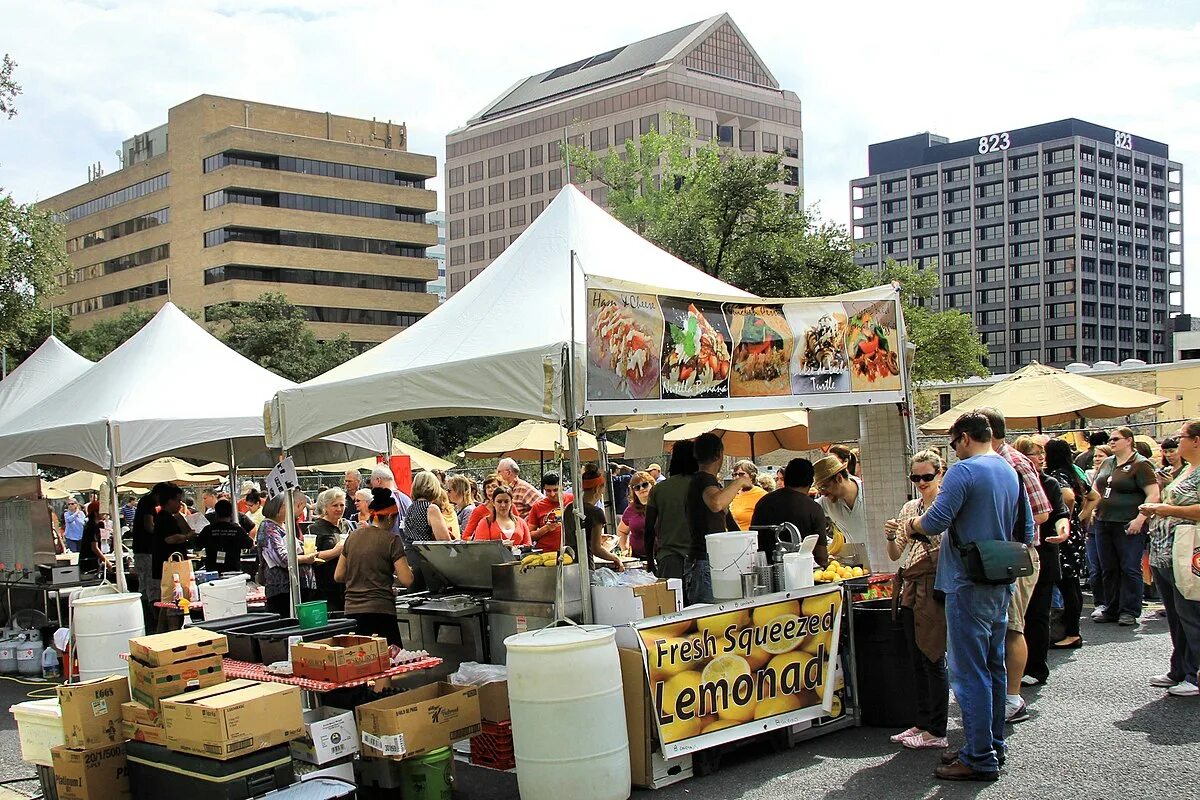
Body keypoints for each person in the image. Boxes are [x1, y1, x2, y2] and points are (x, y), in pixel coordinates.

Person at [909, 411, 1034, 782]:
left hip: (967, 579)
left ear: (964, 438)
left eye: (953, 442)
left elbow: (935, 521)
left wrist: (913, 524)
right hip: (1001, 576)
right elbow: (1025, 528)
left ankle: (979, 756)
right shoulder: (1008, 468)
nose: (954, 450)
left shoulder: (965, 471)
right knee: (993, 667)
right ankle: (990, 744)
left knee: (969, 673)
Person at [976, 407, 1051, 724]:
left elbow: (1042, 511)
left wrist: (1005, 528)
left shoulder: (1015, 463)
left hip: (1015, 556)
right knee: (1000, 626)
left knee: (1012, 626)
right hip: (999, 557)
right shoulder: (993, 463)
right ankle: (1001, 694)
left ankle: (1013, 698)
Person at [883, 450, 949, 751]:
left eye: (927, 477)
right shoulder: (910, 507)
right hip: (912, 581)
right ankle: (923, 723)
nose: (921, 482)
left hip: (935, 584)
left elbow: (946, 545)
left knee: (932, 655)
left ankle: (937, 727)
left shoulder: (946, 504)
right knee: (917, 658)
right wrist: (891, 536)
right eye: (916, 477)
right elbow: (896, 552)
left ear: (940, 473)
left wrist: (920, 532)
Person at [1140, 418, 1200, 697]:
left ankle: (1194, 674)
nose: (1178, 442)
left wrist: (1165, 508)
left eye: (1182, 437)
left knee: (1190, 614)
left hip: (1188, 552)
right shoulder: (1187, 470)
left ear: (1196, 441)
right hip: (1167, 551)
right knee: (1177, 615)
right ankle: (1180, 668)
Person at [1011, 436, 1071, 690]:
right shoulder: (1014, 481)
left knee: (1038, 613)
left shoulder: (1049, 483)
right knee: (1018, 617)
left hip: (1044, 552)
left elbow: (1060, 514)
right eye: (1035, 454)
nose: (1040, 458)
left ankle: (1037, 667)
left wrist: (1063, 530)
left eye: (1041, 453)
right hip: (1019, 554)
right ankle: (1017, 667)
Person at [1091, 425, 1160, 626]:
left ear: (1128, 441)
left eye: (1116, 439)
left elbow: (1153, 493)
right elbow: (1097, 488)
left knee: (1129, 567)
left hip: (1127, 522)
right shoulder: (1107, 463)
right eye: (1110, 439)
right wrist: (1093, 508)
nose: (1111, 442)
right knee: (1108, 567)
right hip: (1104, 521)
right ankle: (1111, 607)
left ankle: (1129, 609)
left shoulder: (1141, 464)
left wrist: (1140, 519)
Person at [335, 487, 413, 645]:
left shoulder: (352, 537)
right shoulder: (392, 540)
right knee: (389, 662)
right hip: (381, 612)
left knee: (361, 662)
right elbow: (407, 580)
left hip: (352, 612)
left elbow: (339, 576)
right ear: (390, 517)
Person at [1044, 438, 1100, 649]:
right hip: (1074, 533)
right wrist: (1079, 517)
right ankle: (1072, 631)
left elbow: (1067, 496)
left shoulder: (1057, 475)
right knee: (1072, 583)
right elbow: (1095, 497)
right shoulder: (1074, 472)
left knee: (1067, 584)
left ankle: (1071, 632)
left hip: (1063, 534)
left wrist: (1065, 517)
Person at [686, 434, 751, 603]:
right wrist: (740, 482)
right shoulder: (704, 480)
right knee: (710, 618)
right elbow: (716, 504)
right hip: (705, 561)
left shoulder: (704, 482)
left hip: (708, 561)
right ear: (719, 454)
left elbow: (725, 513)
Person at [751, 458, 829, 565]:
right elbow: (821, 556)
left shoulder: (763, 502)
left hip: (766, 572)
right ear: (810, 481)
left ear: (786, 479)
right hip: (801, 573)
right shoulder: (814, 508)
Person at [644, 443, 698, 582]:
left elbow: (649, 528)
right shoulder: (703, 486)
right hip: (700, 557)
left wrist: (650, 561)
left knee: (672, 602)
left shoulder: (659, 489)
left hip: (669, 557)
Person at [257, 493, 318, 617]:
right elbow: (282, 558)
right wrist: (307, 558)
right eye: (288, 505)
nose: (292, 509)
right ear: (278, 508)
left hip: (294, 588)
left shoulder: (282, 525)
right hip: (282, 590)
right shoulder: (268, 527)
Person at [563, 464, 624, 570]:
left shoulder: (569, 508)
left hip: (568, 563)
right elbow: (596, 549)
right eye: (603, 488)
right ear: (597, 488)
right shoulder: (596, 513)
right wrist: (615, 558)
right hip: (585, 566)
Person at [401, 472, 454, 590]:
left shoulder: (410, 508)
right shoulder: (431, 508)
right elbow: (444, 541)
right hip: (427, 560)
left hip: (410, 558)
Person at [814, 455, 866, 549]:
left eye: (824, 487)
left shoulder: (869, 494)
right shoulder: (826, 502)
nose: (822, 493)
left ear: (839, 478)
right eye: (819, 488)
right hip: (857, 560)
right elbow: (808, 510)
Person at [309, 489, 348, 612]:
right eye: (335, 505)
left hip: (346, 585)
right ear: (325, 507)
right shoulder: (315, 528)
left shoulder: (345, 525)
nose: (339, 509)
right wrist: (334, 552)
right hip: (325, 586)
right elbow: (310, 556)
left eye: (342, 505)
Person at [195, 499, 254, 574]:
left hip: (212, 571)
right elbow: (250, 544)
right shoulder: (237, 530)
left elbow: (197, 546)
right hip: (233, 571)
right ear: (231, 514)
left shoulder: (208, 530)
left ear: (216, 513)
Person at [526, 473, 572, 552]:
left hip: (570, 550)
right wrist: (546, 529)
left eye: (555, 490)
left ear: (562, 487)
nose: (552, 494)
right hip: (546, 552)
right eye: (548, 491)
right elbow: (529, 536)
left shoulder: (573, 500)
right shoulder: (537, 507)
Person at [617, 471, 654, 558]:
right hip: (637, 560)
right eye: (637, 487)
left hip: (662, 558)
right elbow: (622, 531)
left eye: (645, 485)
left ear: (652, 484)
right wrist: (624, 548)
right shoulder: (630, 510)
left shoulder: (663, 505)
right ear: (633, 491)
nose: (641, 489)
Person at [370, 464, 413, 533]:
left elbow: (377, 529)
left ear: (378, 480)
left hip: (387, 541)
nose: (371, 485)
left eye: (371, 481)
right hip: (404, 542)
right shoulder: (406, 499)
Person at [728, 461, 767, 531]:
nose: (737, 477)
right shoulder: (734, 494)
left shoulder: (762, 495)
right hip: (733, 536)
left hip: (750, 537)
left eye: (741, 474)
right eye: (734, 475)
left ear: (751, 476)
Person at [464, 474, 502, 540]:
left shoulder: (510, 507)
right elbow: (466, 536)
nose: (490, 489)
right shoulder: (478, 511)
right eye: (488, 487)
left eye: (494, 486)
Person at [78, 503, 108, 576]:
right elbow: (94, 548)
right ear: (95, 513)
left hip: (90, 561)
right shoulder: (92, 526)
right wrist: (107, 562)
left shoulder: (93, 525)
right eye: (102, 511)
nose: (104, 513)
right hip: (89, 562)